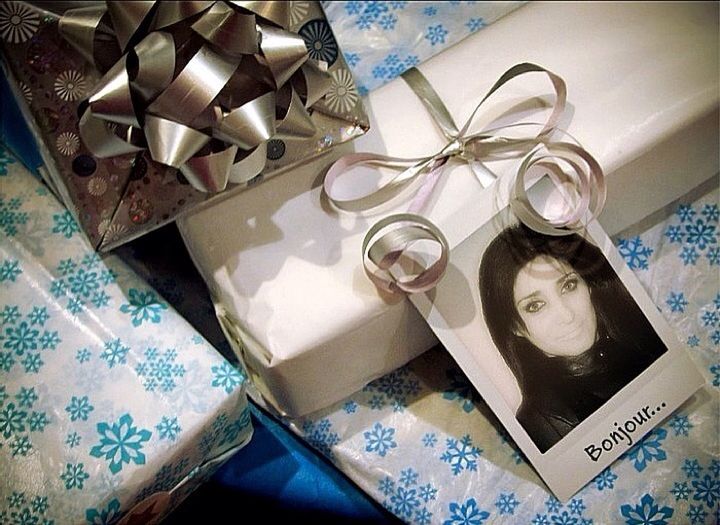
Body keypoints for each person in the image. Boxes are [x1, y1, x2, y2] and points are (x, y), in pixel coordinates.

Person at [478, 222, 666, 452]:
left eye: (568, 285)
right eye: (536, 305)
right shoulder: (539, 422)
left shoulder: (647, 342)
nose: (566, 315)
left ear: (588, 284)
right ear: (515, 327)